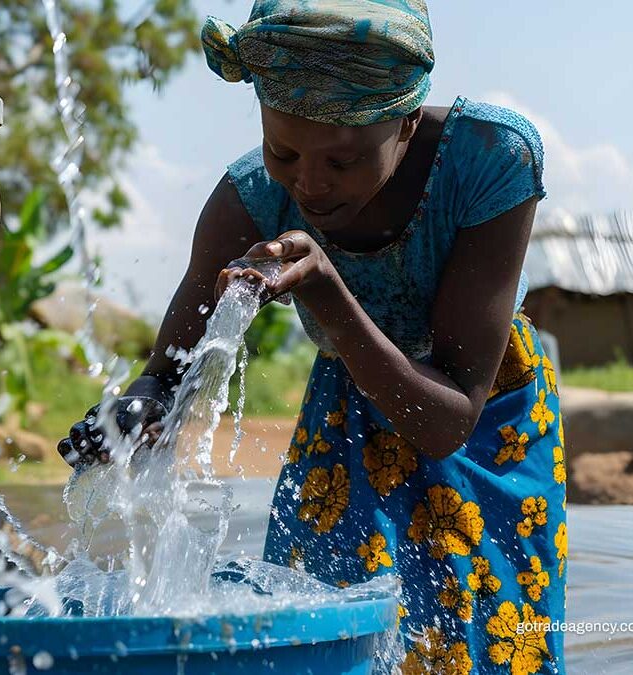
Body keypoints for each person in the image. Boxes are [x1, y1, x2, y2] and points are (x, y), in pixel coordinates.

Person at [57, 1, 566, 673]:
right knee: (331, 633)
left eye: (344, 160)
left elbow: (450, 420)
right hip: (351, 411)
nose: (309, 182)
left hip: (485, 416)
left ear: (407, 123)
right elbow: (168, 373)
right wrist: (135, 413)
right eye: (283, 151)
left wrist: (328, 291)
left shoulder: (490, 161)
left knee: (494, 635)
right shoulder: (249, 199)